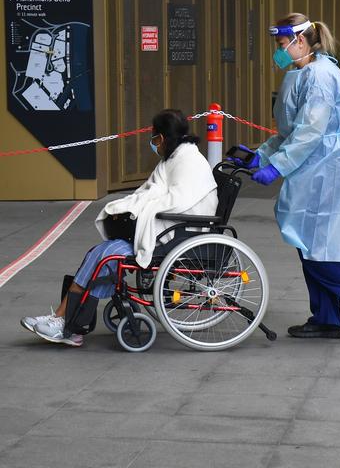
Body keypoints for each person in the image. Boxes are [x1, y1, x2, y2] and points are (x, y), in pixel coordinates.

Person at [231, 13, 340, 339]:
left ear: (300, 41)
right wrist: (262, 153)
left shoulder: (320, 77)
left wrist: (277, 166)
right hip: (317, 165)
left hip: (330, 165)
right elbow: (292, 131)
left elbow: (310, 133)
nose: (279, 51)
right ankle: (326, 318)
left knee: (315, 245)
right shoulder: (300, 75)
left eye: (282, 44)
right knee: (311, 243)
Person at [20, 109, 219, 346]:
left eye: (154, 138)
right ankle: (63, 320)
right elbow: (156, 191)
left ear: (162, 138)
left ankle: (65, 324)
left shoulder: (189, 161)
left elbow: (178, 201)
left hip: (179, 234)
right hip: (171, 229)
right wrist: (133, 205)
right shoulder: (177, 157)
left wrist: (140, 209)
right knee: (101, 254)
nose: (153, 143)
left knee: (106, 255)